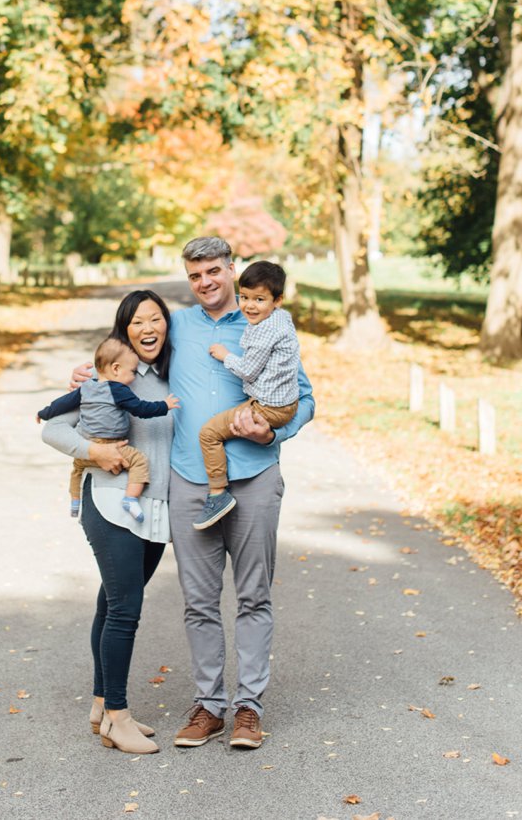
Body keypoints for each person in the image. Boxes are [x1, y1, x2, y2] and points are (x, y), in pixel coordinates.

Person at [68, 236, 315, 751]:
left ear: (233, 270)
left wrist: (273, 433)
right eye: (195, 275)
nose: (206, 283)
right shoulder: (177, 326)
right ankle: (209, 705)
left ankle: (249, 708)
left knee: (253, 596)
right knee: (198, 602)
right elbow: (125, 354)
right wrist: (88, 376)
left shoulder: (265, 325)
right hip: (188, 482)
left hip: (254, 478)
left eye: (214, 272)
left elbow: (304, 397)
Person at [42, 290, 178, 755]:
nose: (148, 328)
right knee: (126, 607)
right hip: (108, 498)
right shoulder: (105, 376)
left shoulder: (172, 374)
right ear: (125, 328)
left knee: (112, 601)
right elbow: (52, 428)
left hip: (156, 505)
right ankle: (118, 717)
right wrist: (94, 451)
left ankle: (102, 704)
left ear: (166, 324)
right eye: (137, 320)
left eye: (156, 318)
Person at [194, 259, 300, 531]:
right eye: (245, 297)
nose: (250, 305)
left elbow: (249, 371)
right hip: (278, 401)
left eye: (260, 299)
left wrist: (224, 355)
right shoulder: (280, 319)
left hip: (269, 408)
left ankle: (218, 493)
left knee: (209, 433)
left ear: (277, 300)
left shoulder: (266, 331)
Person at [37, 335, 180, 522]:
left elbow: (62, 403)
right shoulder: (119, 390)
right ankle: (130, 499)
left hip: (87, 444)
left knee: (77, 469)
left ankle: (74, 501)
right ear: (116, 369)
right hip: (112, 445)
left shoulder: (86, 387)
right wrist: (164, 405)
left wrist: (44, 412)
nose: (134, 375)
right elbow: (141, 409)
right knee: (139, 461)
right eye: (133, 371)